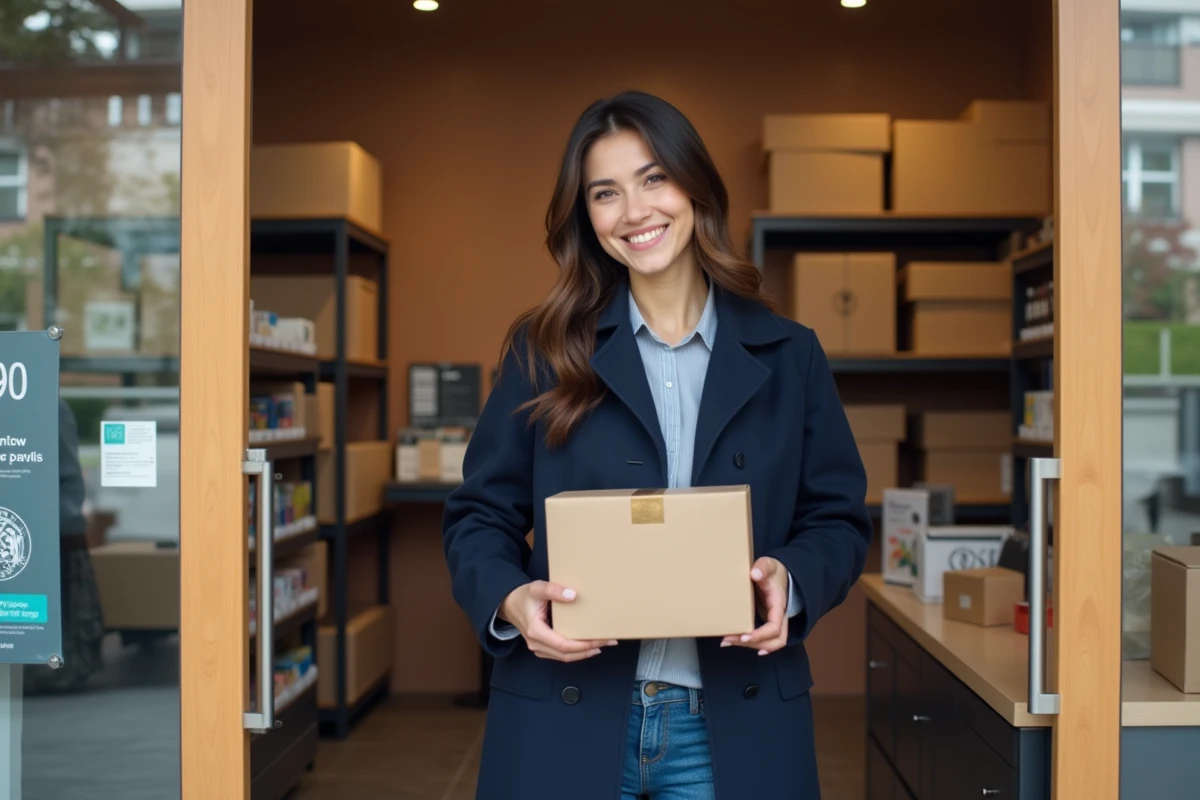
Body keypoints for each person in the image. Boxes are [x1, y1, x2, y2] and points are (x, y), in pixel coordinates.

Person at [442, 90, 872, 800]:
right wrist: (513, 598)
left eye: (653, 179)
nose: (635, 211)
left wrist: (790, 582)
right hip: (567, 713)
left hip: (734, 722)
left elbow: (838, 518)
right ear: (587, 217)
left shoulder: (791, 355)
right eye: (605, 193)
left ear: (695, 185)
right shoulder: (543, 350)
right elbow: (477, 516)